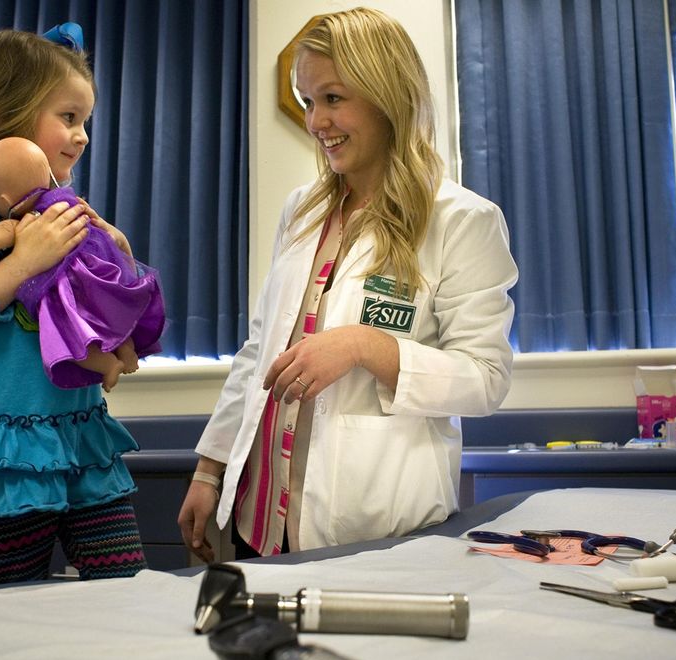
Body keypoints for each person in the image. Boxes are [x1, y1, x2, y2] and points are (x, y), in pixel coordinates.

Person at [177, 7, 519, 561]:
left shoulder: (460, 220)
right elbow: (259, 351)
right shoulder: (301, 212)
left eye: (333, 99)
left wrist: (366, 346)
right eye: (310, 102)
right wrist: (210, 469)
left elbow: (486, 378)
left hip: (373, 525)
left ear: (388, 96)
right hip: (257, 519)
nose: (316, 122)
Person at [0, 24, 150, 584]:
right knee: (13, 609)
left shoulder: (66, 207)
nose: (83, 135)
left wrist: (120, 255)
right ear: (4, 119)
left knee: (125, 588)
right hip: (5, 452)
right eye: (68, 118)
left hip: (81, 435)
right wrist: (19, 266)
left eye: (84, 121)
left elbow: (100, 300)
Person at [0, 136, 165, 392]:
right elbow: (104, 237)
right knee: (110, 315)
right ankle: (126, 348)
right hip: (102, 274)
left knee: (71, 333)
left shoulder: (29, 221)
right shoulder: (70, 203)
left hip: (71, 289)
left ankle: (107, 366)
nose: (83, 136)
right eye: (69, 117)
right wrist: (118, 245)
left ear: (3, 199)